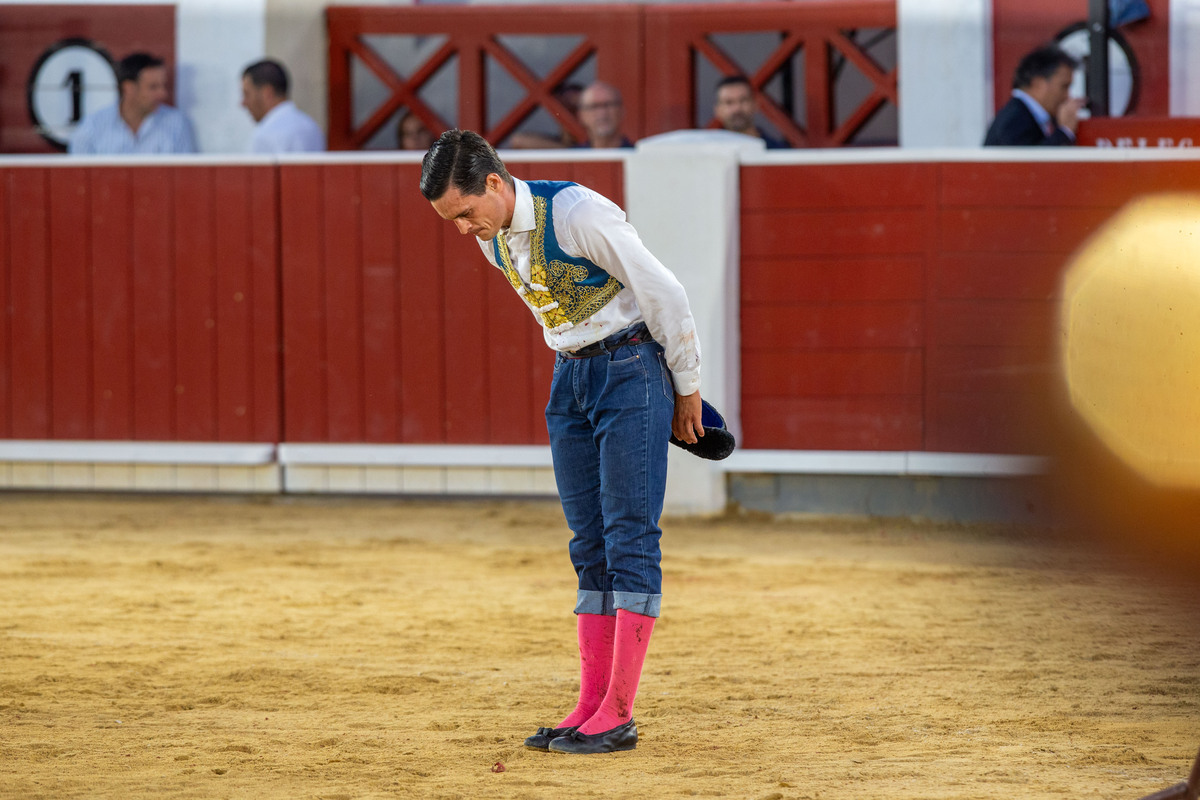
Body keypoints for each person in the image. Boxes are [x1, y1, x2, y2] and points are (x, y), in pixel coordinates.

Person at [420, 129, 704, 755]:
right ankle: (591, 702)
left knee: (629, 534)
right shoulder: (496, 242)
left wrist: (685, 390)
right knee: (590, 541)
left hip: (629, 371)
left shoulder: (576, 212)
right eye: (452, 221)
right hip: (571, 380)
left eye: (465, 213)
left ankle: (619, 713)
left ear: (493, 183)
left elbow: (664, 293)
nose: (464, 229)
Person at [68, 52, 197, 155]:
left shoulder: (177, 124)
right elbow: (80, 180)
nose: (162, 94)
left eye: (163, 86)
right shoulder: (91, 127)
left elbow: (184, 179)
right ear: (128, 87)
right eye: (153, 87)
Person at [984, 45, 1084, 146]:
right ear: (1038, 84)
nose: (1067, 96)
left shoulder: (1023, 114)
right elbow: (1029, 160)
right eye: (1064, 87)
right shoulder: (1015, 120)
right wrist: (1065, 132)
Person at [241, 59, 325, 154]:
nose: (243, 103)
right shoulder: (312, 127)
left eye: (247, 94)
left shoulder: (264, 136)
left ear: (267, 93)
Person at [712, 75, 787, 149]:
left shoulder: (778, 153)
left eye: (743, 100)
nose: (737, 108)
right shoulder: (710, 151)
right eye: (729, 102)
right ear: (718, 110)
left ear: (755, 105)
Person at [574, 81, 634, 149]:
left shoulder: (639, 156)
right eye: (594, 106)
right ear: (581, 115)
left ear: (621, 111)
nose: (602, 113)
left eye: (608, 105)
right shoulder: (571, 158)